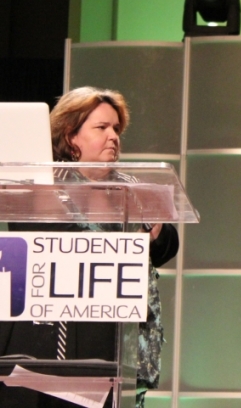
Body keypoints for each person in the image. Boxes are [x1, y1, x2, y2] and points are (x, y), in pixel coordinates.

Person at [2, 87, 179, 408]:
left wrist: (156, 231)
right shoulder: (45, 186)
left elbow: (167, 246)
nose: (113, 136)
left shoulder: (131, 185)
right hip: (61, 338)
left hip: (121, 335)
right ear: (71, 137)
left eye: (116, 129)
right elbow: (37, 239)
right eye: (101, 128)